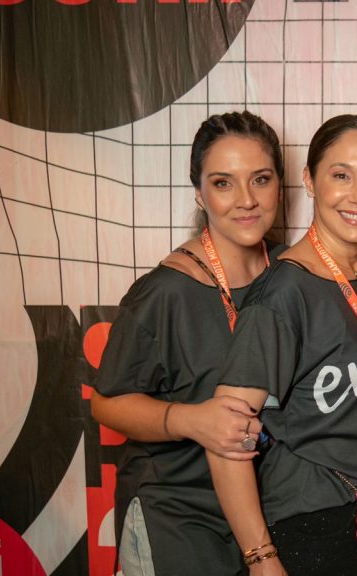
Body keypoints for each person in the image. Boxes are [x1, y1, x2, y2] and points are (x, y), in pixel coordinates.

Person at [206, 114, 357, 576]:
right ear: (310, 181)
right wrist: (261, 558)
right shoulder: (284, 293)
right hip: (309, 526)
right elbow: (225, 439)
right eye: (341, 175)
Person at [91, 111, 284, 575]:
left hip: (263, 517)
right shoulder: (166, 292)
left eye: (260, 179)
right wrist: (191, 420)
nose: (246, 199)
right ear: (199, 193)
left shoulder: (289, 275)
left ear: (281, 184)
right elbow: (106, 403)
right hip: (177, 519)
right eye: (223, 183)